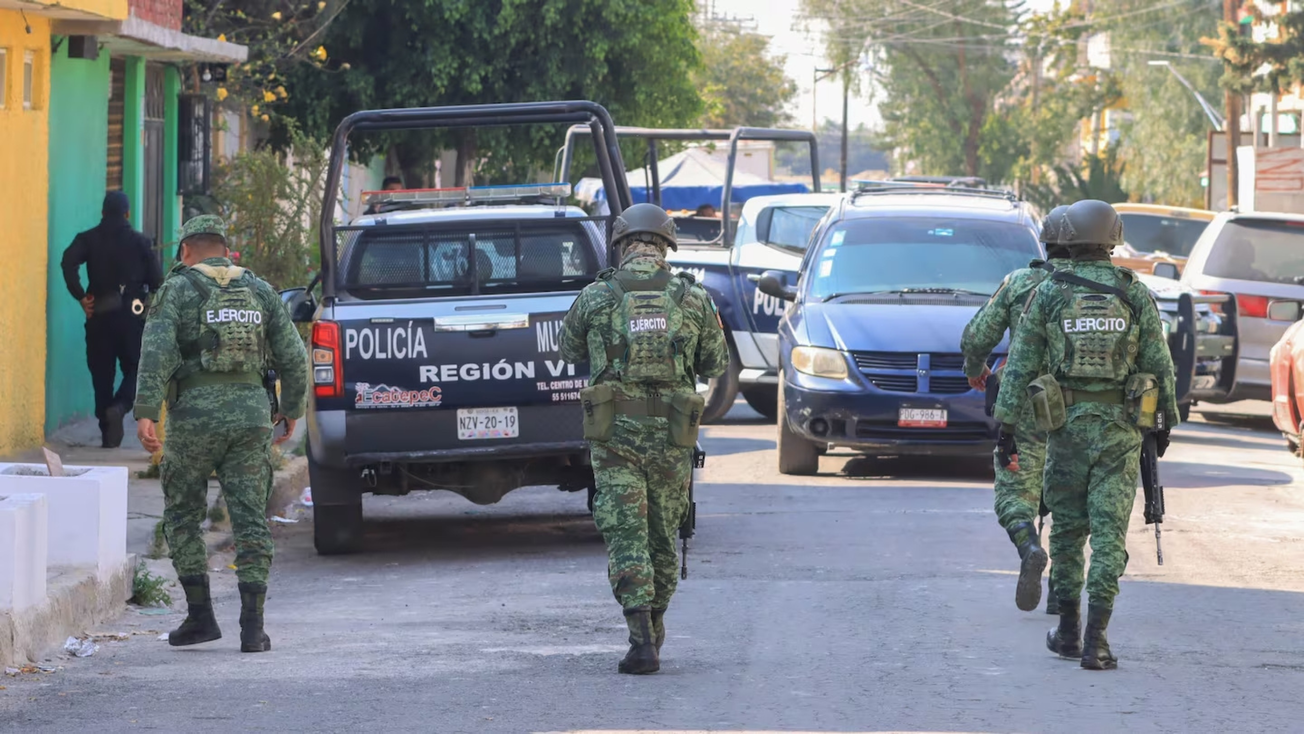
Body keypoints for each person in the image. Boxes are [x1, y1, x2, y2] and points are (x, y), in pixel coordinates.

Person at [993, 199, 1178, 671]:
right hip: (1120, 432)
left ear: (1067, 239)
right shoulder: (1134, 293)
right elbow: (1160, 366)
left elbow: (1021, 365)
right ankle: (1098, 641)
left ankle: (1069, 632)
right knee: (1110, 534)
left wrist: (1007, 426)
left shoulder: (1049, 293)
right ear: (1113, 238)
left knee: (1069, 530)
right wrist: (1165, 424)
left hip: (1066, 428)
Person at [559, 203, 728, 674]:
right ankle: (654, 630)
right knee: (663, 537)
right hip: (672, 437)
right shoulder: (692, 296)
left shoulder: (598, 295)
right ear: (666, 244)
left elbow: (567, 348)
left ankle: (641, 641)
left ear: (621, 243)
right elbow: (716, 363)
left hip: (615, 435)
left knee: (626, 533)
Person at [134, 215, 309, 654]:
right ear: (226, 250)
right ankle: (253, 628)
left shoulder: (177, 289)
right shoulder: (260, 290)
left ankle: (200, 616)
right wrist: (291, 410)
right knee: (250, 519)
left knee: (182, 515)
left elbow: (155, 353)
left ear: (186, 250)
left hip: (194, 420)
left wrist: (146, 412)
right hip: (251, 419)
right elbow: (293, 355)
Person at [960, 205, 1071, 614]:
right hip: (1082, 408)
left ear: (1047, 243)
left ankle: (1028, 545)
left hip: (1025, 405)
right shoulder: (1110, 290)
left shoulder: (1021, 282)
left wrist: (976, 368)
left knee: (1015, 491)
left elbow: (976, 336)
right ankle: (1063, 590)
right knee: (1071, 499)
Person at [61, 191, 162, 448]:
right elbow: (157, 281)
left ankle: (108, 434)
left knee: (101, 374)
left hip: (99, 315)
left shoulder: (87, 238)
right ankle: (120, 406)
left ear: (103, 213)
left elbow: (68, 262)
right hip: (131, 318)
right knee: (136, 369)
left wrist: (80, 296)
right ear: (128, 213)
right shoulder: (140, 242)